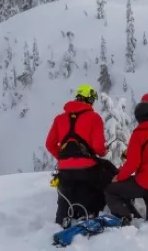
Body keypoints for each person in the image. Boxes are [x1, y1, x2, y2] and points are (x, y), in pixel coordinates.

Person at [45, 84, 115, 228]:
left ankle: (63, 218)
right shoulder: (94, 118)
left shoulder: (59, 119)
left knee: (66, 192)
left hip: (64, 169)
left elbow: (49, 144)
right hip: (87, 168)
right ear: (89, 100)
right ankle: (92, 212)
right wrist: (104, 152)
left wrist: (64, 159)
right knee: (106, 177)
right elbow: (98, 148)